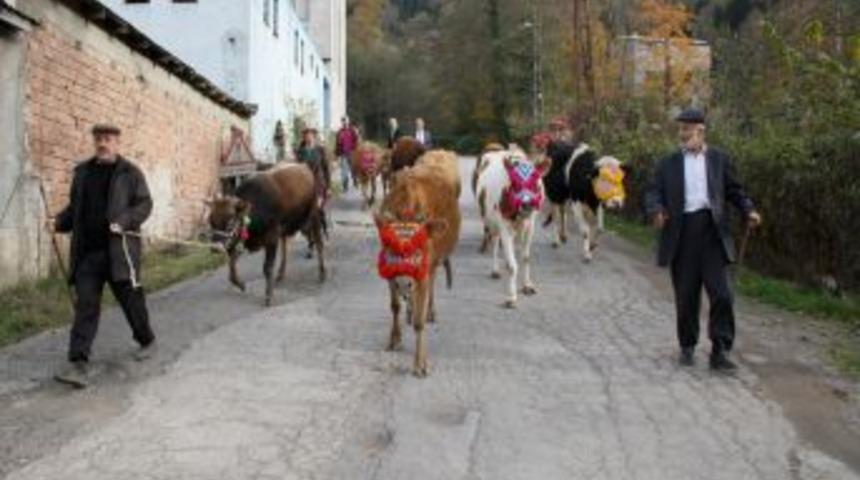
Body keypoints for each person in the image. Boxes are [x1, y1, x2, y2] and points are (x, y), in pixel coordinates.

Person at [645, 108, 762, 372]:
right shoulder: (668, 163)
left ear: (701, 130)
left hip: (712, 232)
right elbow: (653, 192)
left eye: (687, 129)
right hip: (682, 232)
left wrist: (748, 209)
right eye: (681, 129)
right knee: (686, 295)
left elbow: (734, 190)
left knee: (722, 293)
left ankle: (720, 350)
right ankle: (687, 345)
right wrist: (657, 211)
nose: (683, 134)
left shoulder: (719, 159)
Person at [52, 124, 156, 389]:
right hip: (88, 254)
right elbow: (75, 209)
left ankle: (147, 340)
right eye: (98, 138)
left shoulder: (129, 173)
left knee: (131, 301)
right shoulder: (83, 173)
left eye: (108, 139)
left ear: (117, 142)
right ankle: (78, 363)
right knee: (86, 305)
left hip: (119, 252)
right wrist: (57, 222)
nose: (102, 143)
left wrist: (124, 220)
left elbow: (144, 204)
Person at [296, 128, 331, 258]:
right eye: (306, 136)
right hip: (304, 188)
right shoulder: (300, 152)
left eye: (310, 136)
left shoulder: (320, 150)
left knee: (316, 211)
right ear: (304, 138)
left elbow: (326, 169)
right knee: (304, 217)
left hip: (319, 186)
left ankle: (322, 232)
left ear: (314, 137)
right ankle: (310, 241)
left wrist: (328, 187)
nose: (308, 138)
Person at [335, 117, 360, 192]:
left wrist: (356, 151)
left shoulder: (352, 131)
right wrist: (336, 155)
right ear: (342, 123)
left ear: (348, 122)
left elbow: (356, 141)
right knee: (344, 171)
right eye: (343, 121)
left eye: (345, 121)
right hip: (343, 154)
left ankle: (355, 182)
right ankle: (345, 186)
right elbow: (337, 144)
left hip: (352, 153)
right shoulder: (339, 132)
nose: (344, 123)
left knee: (353, 169)